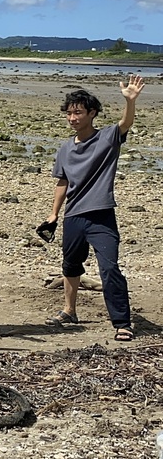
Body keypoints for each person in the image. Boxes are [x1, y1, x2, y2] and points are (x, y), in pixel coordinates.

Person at [39, 76, 145, 342]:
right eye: (69, 113)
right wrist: (53, 213)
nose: (72, 118)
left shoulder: (107, 138)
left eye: (78, 113)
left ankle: (122, 322)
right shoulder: (65, 149)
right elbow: (62, 182)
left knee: (109, 267)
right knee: (70, 265)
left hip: (101, 214)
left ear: (92, 113)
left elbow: (125, 123)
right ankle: (69, 311)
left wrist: (130, 101)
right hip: (73, 214)